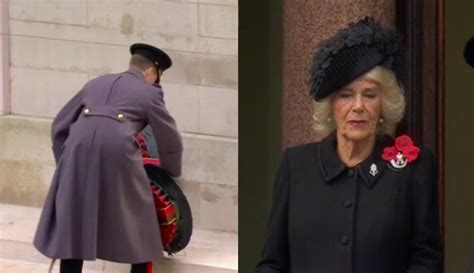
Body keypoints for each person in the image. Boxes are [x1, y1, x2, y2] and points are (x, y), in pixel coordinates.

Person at [255, 18, 443, 273]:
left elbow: (426, 260)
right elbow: (272, 263)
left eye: (369, 95)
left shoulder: (413, 168)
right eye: (345, 95)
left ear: (383, 105)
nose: (357, 107)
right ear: (331, 106)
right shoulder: (295, 166)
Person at [33, 43, 183, 273]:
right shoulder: (150, 93)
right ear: (152, 72)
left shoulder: (95, 83)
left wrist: (66, 163)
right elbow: (169, 137)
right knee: (140, 216)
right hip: (118, 150)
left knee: (75, 218)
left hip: (77, 149)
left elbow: (59, 126)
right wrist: (169, 173)